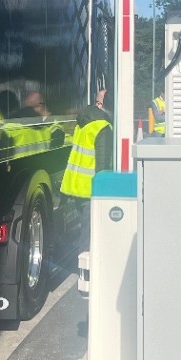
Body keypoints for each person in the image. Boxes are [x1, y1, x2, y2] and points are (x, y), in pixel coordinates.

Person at [60, 89, 113, 248]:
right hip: (91, 189)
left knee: (84, 231)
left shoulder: (84, 121)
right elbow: (102, 166)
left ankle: (84, 267)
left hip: (76, 185)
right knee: (90, 236)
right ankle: (87, 269)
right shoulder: (103, 126)